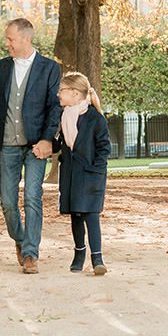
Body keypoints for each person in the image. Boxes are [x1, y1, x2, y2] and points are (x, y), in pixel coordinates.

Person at [0, 18, 61, 274]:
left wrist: (47, 140)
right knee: (8, 202)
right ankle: (20, 240)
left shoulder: (49, 68)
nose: (6, 43)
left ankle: (31, 253)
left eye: (10, 39)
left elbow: (54, 108)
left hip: (36, 146)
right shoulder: (1, 67)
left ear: (26, 39)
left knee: (33, 196)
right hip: (8, 143)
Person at [55, 72, 110, 275]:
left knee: (91, 216)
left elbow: (104, 148)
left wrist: (96, 169)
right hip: (70, 174)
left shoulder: (95, 118)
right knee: (76, 215)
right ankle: (79, 253)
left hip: (90, 175)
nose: (58, 94)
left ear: (76, 94)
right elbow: (63, 145)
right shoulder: (63, 116)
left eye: (62, 91)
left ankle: (97, 258)